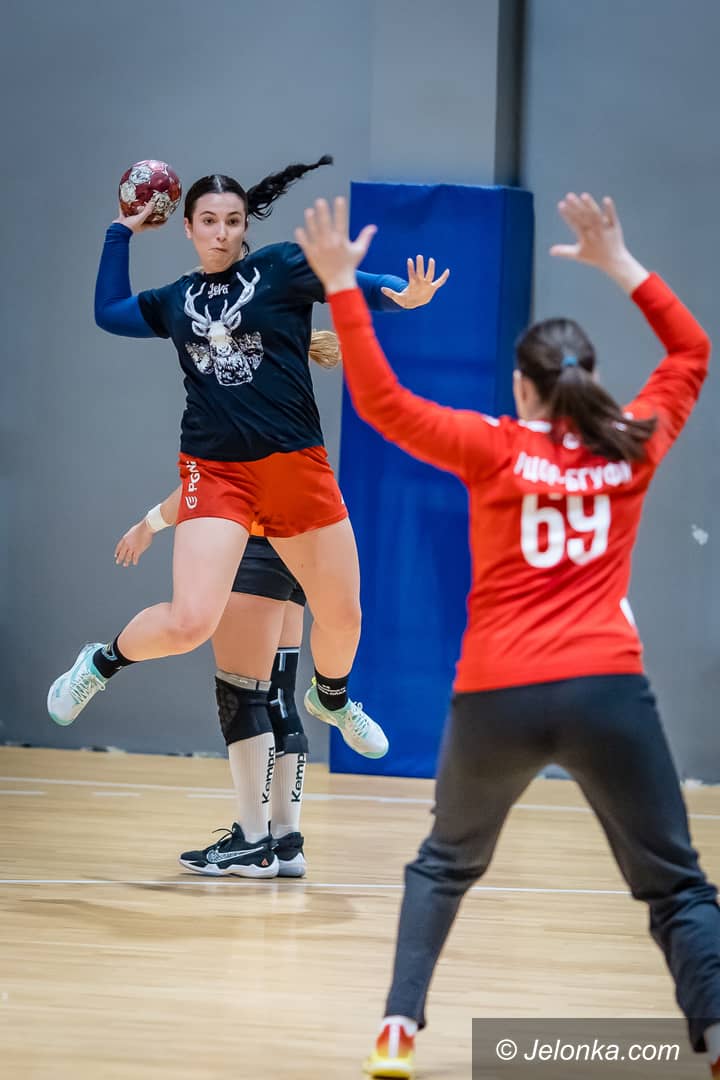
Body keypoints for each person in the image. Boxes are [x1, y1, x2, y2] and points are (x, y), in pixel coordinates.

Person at [294, 194, 720, 1078]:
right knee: (677, 888)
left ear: (522, 387)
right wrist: (620, 262)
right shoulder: (631, 444)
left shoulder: (490, 445)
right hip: (606, 688)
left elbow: (381, 402)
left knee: (443, 864)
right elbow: (691, 351)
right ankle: (714, 1036)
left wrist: (341, 284)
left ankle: (397, 1031)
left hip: (497, 694)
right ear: (589, 376)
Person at [47, 155, 450, 859]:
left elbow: (348, 282)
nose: (222, 232)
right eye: (209, 221)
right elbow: (108, 314)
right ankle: (102, 662)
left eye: (233, 221)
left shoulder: (281, 268)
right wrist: (120, 232)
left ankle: (332, 697)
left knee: (346, 616)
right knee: (190, 622)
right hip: (217, 471)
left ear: (244, 227)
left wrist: (401, 295)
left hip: (296, 469)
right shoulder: (175, 299)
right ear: (188, 226)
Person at [114, 331, 343, 878]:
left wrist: (149, 524)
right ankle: (286, 841)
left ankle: (253, 842)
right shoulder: (289, 394)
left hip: (254, 548)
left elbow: (214, 489)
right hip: (301, 546)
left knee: (242, 694)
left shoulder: (238, 405)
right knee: (279, 693)